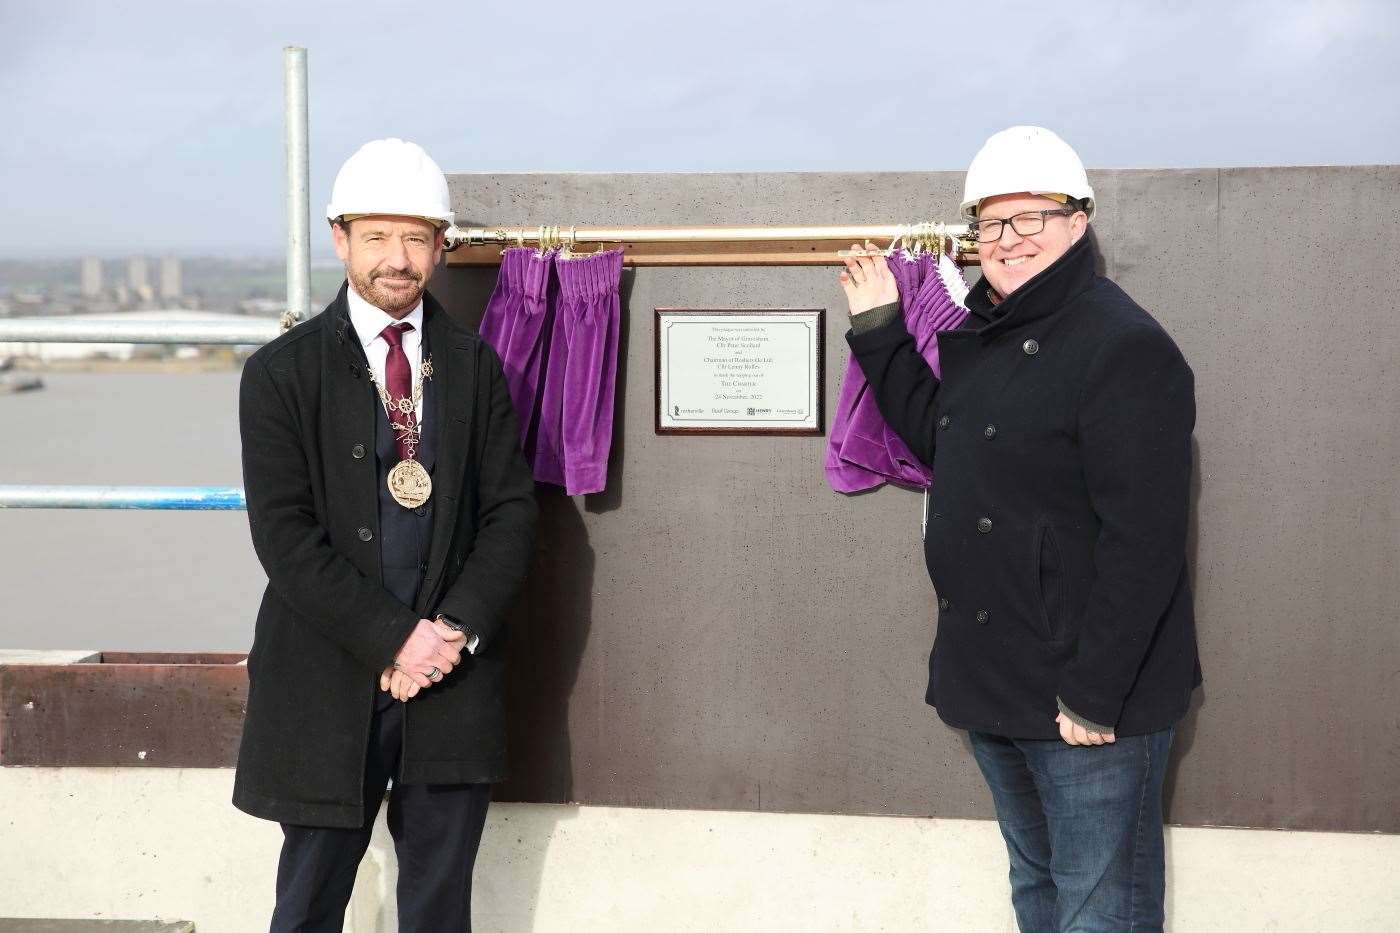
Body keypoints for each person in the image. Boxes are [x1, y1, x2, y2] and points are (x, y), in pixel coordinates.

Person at [840, 126, 1199, 932]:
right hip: (996, 680)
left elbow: (1144, 539)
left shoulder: (1125, 346)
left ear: (1080, 221)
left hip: (1086, 702)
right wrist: (879, 333)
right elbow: (949, 443)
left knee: (1100, 911)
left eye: (1032, 216)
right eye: (993, 224)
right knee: (1037, 893)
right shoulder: (985, 332)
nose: (1011, 240)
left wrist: (1096, 691)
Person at [233, 138, 537, 932]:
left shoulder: (477, 367)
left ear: (440, 246)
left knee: (438, 908)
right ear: (340, 240)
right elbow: (284, 536)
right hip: (327, 677)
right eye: (376, 235)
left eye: (415, 237)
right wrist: (396, 639)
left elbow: (511, 513)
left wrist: (451, 632)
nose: (396, 258)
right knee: (307, 905)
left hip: (451, 680)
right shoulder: (279, 374)